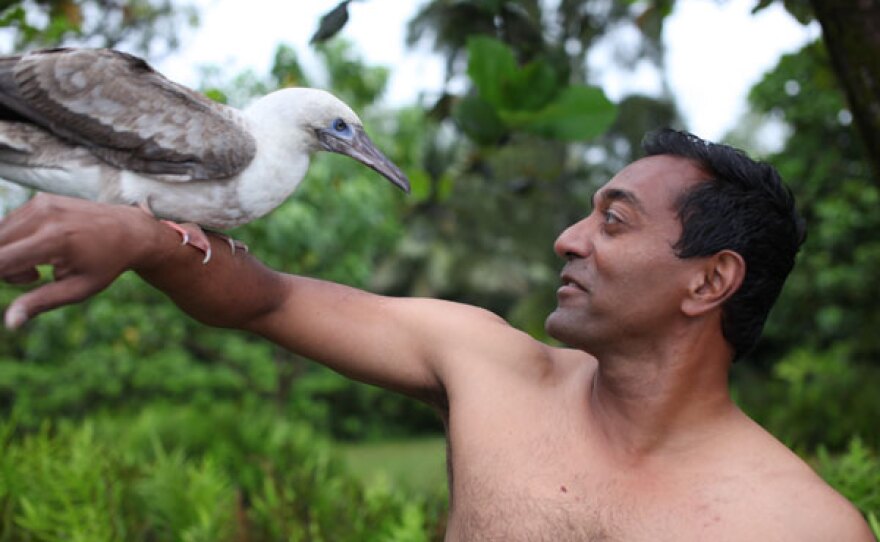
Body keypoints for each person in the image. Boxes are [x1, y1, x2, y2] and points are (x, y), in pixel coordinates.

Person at [0, 129, 873, 541]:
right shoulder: (488, 368)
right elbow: (263, 300)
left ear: (710, 280)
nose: (568, 237)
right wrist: (146, 235)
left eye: (614, 221)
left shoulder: (801, 528)